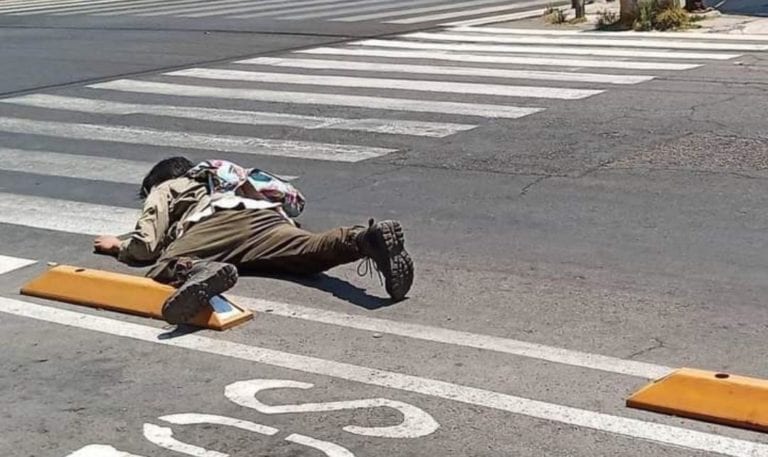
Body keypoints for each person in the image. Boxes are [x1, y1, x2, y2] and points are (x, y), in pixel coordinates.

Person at [93, 157, 414, 324]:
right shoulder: (227, 176)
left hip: (211, 222)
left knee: (161, 268)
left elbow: (146, 246)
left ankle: (195, 269)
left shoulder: (169, 187)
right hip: (264, 214)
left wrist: (118, 247)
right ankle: (364, 239)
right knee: (310, 252)